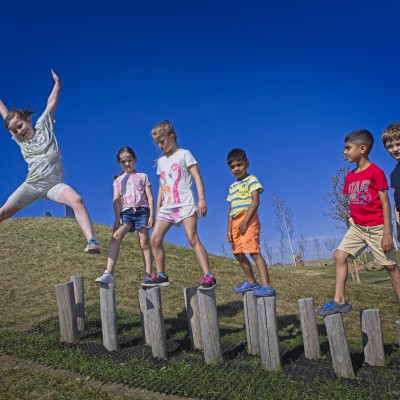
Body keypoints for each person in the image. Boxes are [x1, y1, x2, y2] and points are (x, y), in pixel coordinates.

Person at [0, 70, 100, 253]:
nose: (20, 131)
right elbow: (4, 114)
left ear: (28, 121)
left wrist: (58, 84)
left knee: (76, 200)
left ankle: (92, 241)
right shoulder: (20, 141)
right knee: (3, 213)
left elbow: (51, 103)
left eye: (20, 125)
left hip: (54, 184)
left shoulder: (44, 125)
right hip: (33, 184)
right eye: (15, 130)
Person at [318, 129, 400, 316]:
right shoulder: (350, 176)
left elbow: (385, 203)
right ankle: (339, 300)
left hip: (377, 227)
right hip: (357, 227)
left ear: (362, 149)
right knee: (339, 255)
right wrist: (351, 218)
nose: (344, 152)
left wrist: (388, 233)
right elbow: (354, 200)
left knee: (390, 267)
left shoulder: (376, 172)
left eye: (348, 148)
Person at [142, 120, 216, 290]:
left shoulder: (184, 154)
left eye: (163, 141)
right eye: (157, 143)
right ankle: (161, 275)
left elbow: (197, 177)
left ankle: (208, 276)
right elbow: (162, 185)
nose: (160, 145)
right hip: (167, 206)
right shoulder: (161, 161)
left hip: (185, 203)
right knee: (155, 238)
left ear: (172, 137)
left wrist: (202, 199)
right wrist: (158, 207)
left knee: (192, 237)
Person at [95, 146, 154, 284]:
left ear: (135, 159)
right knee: (116, 236)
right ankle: (108, 272)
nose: (127, 164)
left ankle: (148, 275)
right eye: (123, 161)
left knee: (144, 242)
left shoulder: (143, 176)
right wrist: (117, 216)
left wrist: (151, 215)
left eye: (130, 160)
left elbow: (150, 197)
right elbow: (115, 200)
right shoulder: (118, 180)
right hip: (126, 212)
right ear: (119, 163)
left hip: (142, 211)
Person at [226, 148, 275, 297]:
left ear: (247, 164)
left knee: (253, 251)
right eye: (232, 167)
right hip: (235, 221)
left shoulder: (252, 179)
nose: (236, 169)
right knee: (238, 253)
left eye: (239, 165)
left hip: (249, 218)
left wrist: (246, 220)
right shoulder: (232, 187)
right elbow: (231, 209)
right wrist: (229, 229)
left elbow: (255, 201)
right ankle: (251, 282)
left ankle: (266, 285)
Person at [382, 122, 400, 242]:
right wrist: (398, 228)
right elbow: (397, 204)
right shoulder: (394, 174)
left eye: (398, 144)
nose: (395, 149)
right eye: (390, 146)